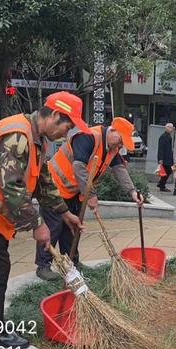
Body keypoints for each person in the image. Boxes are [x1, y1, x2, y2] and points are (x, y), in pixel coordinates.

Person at [0, 91, 86, 348]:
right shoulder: (18, 135)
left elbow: (43, 181)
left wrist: (63, 211)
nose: (66, 134)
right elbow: (11, 186)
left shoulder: (38, 140)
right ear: (55, 116)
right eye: (67, 126)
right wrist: (37, 225)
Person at [36, 117, 144, 280]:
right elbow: (78, 167)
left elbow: (119, 170)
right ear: (113, 131)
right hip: (54, 186)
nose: (120, 145)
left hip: (75, 191)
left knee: (73, 228)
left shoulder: (112, 147)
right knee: (53, 227)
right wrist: (91, 195)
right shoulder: (88, 137)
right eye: (121, 140)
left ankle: (71, 262)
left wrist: (132, 192)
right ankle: (43, 266)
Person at [157, 123, 174, 192]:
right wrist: (160, 158)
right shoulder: (163, 136)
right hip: (164, 158)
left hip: (168, 157)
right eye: (169, 127)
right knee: (166, 171)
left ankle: (161, 184)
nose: (171, 129)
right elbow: (160, 148)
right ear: (166, 128)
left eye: (172, 128)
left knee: (168, 171)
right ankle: (162, 185)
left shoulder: (169, 136)